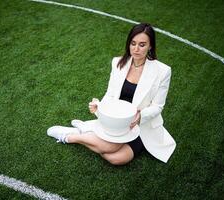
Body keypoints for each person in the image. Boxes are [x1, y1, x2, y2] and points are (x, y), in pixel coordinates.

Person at [47, 23, 176, 165]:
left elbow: (158, 106)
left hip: (140, 125)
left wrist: (140, 117)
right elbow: (110, 94)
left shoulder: (163, 71)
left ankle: (78, 134)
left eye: (142, 44)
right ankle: (68, 136)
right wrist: (100, 107)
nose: (136, 49)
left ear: (150, 46)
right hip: (117, 120)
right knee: (109, 147)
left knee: (116, 159)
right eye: (133, 43)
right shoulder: (118, 63)